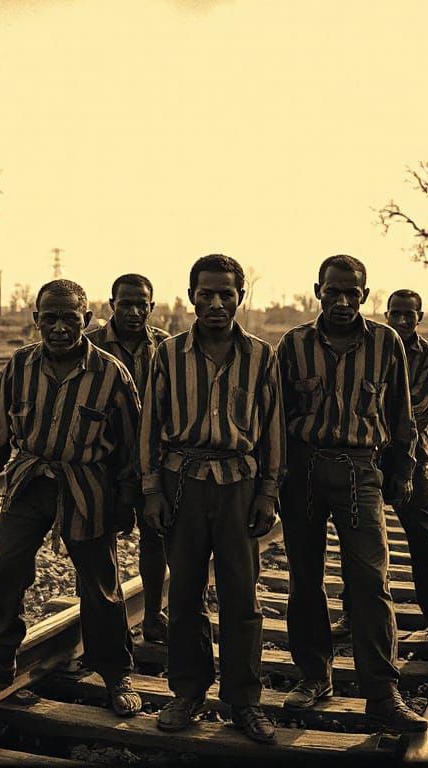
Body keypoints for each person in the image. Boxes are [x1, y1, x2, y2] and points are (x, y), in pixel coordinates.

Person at [0, 279, 143, 718]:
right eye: (49, 318)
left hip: (87, 484)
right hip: (30, 482)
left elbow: (132, 445)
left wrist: (127, 499)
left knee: (100, 583)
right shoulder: (20, 365)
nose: (59, 327)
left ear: (86, 319)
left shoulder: (111, 373)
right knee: (7, 567)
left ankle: (115, 672)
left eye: (70, 318)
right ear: (36, 320)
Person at [276, 255, 427, 732]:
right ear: (317, 291)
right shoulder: (293, 344)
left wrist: (402, 470)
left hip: (360, 470)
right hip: (303, 470)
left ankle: (381, 693)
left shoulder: (385, 342)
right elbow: (275, 416)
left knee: (370, 582)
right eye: (332, 291)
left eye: (351, 293)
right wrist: (274, 477)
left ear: (365, 295)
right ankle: (314, 676)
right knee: (305, 579)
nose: (341, 301)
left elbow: (402, 414)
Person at [139, 254, 285, 744]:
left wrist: (268, 492)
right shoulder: (168, 354)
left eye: (226, 294)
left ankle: (244, 701)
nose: (216, 304)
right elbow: (151, 426)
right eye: (206, 294)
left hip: (239, 484)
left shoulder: (262, 355)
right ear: (191, 297)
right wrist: (152, 490)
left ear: (240, 297)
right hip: (182, 483)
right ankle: (188, 692)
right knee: (184, 595)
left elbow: (273, 429)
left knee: (242, 597)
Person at [331, 289, 428, 655]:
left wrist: (371, 416)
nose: (402, 320)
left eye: (409, 315)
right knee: (358, 540)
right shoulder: (371, 347)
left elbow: (415, 412)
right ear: (386, 314)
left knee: (422, 535)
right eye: (396, 314)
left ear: (420, 317)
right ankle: (352, 613)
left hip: (408, 457)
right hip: (365, 457)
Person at [86, 273, 171, 644]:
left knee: (155, 539)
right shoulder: (90, 345)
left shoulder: (166, 346)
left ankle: (153, 616)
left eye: (141, 305)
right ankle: (106, 629)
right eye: (126, 304)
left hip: (154, 461)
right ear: (111, 305)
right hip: (104, 463)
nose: (134, 312)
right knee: (100, 544)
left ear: (151, 306)